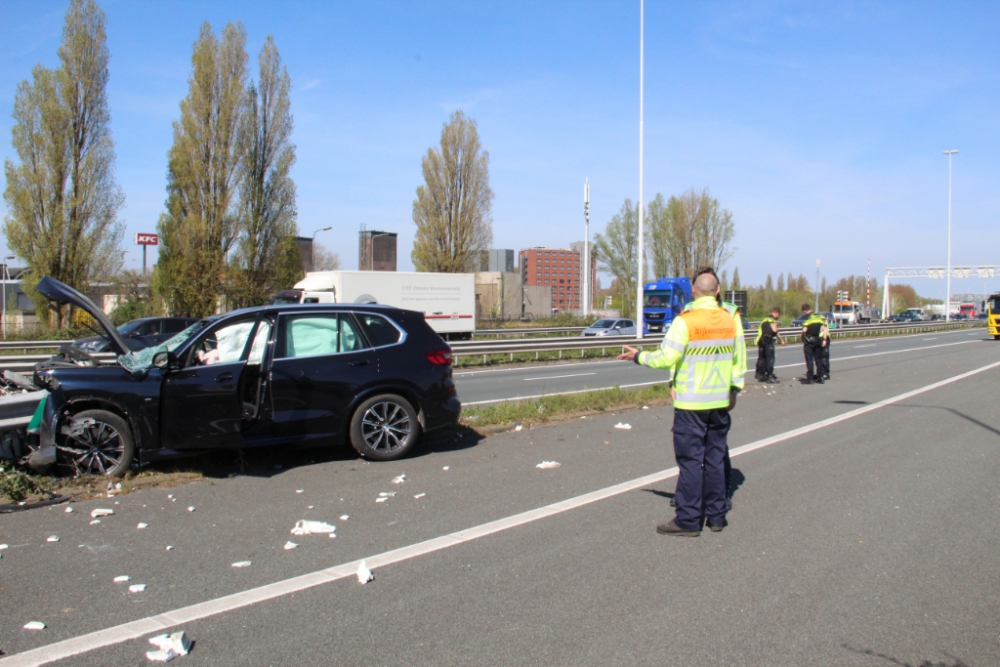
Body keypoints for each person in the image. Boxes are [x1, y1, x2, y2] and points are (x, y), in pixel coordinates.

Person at [619, 269, 745, 536]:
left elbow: (667, 358)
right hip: (720, 402)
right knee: (715, 460)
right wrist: (735, 388)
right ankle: (717, 516)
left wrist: (639, 356)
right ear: (717, 291)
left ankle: (688, 520)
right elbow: (738, 360)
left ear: (695, 291)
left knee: (690, 462)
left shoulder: (685, 321)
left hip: (691, 404)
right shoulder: (730, 320)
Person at [755, 307, 785, 383]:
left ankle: (760, 374)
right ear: (777, 313)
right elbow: (775, 330)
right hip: (768, 341)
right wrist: (781, 340)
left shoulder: (764, 320)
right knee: (770, 359)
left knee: (762, 358)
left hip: (761, 341)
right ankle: (769, 375)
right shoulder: (771, 320)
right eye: (779, 315)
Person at [799, 304, 828, 384]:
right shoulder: (819, 317)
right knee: (818, 359)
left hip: (809, 341)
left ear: (805, 311)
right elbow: (824, 328)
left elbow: (805, 330)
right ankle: (820, 376)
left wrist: (801, 336)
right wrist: (824, 339)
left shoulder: (808, 319)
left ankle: (810, 378)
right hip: (818, 340)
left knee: (809, 359)